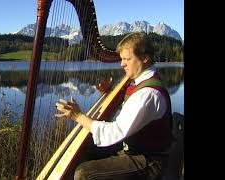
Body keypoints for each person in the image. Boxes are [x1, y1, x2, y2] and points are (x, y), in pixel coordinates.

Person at [55, 32, 172, 180]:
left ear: (145, 58)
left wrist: (78, 116)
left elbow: (115, 131)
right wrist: (109, 92)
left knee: (84, 173)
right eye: (122, 59)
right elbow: (129, 101)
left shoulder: (148, 94)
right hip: (136, 148)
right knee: (85, 149)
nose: (122, 64)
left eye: (127, 59)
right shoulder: (141, 80)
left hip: (149, 161)